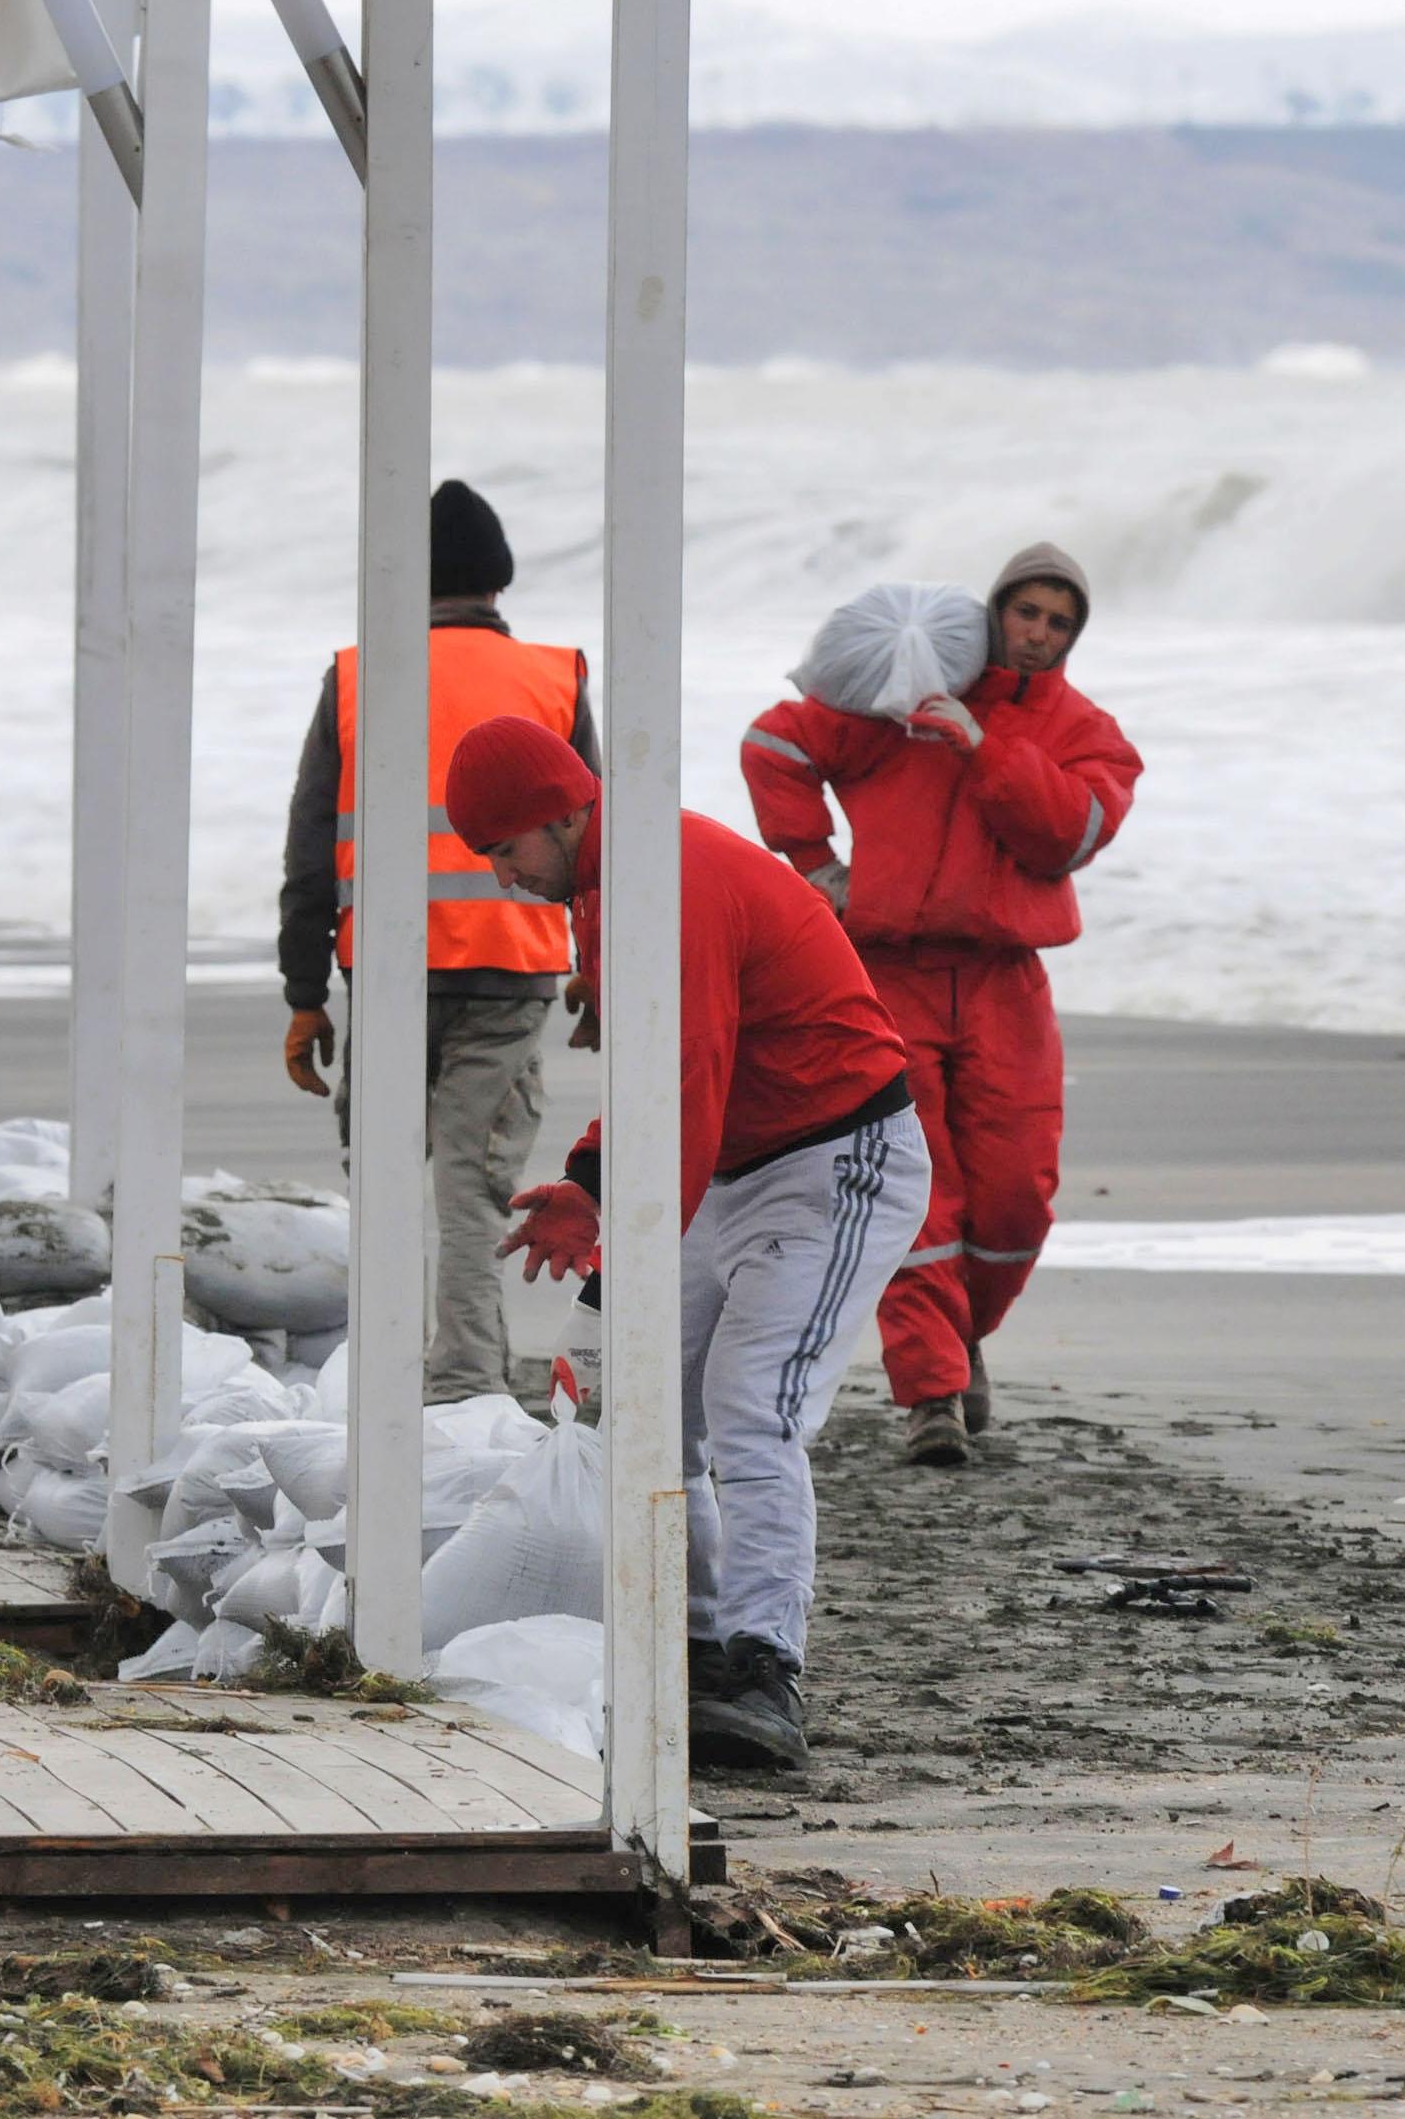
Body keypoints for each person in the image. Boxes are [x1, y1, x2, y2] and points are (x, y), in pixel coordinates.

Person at [456, 713, 930, 1772]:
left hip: (833, 1161)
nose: (500, 875)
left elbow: (689, 1073)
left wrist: (622, 1244)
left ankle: (767, 1667)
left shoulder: (663, 879)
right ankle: (700, 1644)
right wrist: (588, 1182)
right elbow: (653, 1065)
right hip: (728, 1164)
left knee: (753, 1405)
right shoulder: (600, 883)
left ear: (560, 812)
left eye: (505, 849)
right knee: (643, 1404)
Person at [739, 543, 1142, 1468]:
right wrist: (814, 869)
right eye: (1026, 612)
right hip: (885, 976)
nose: (1038, 634)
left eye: (1059, 620)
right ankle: (930, 1397)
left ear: (1075, 635)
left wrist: (985, 747)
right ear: (996, 610)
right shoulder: (899, 702)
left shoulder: (1084, 728)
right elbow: (774, 745)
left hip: (1008, 982)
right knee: (914, 1190)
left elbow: (1069, 836)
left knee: (1017, 1200)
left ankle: (959, 1344)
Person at [276, 480, 601, 1400]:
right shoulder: (556, 672)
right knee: (472, 1186)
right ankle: (464, 1378)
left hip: (383, 968)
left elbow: (309, 846)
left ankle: (379, 1369)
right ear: (499, 580)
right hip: (512, 963)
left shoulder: (357, 671)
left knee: (380, 1174)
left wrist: (304, 995)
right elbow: (594, 833)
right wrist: (600, 967)